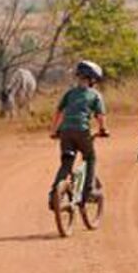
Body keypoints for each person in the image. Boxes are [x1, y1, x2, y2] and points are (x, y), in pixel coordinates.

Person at [48, 60, 109, 209]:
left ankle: (54, 194)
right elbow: (100, 115)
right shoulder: (95, 95)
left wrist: (54, 131)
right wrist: (103, 130)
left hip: (65, 132)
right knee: (90, 158)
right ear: (92, 79)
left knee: (66, 163)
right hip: (82, 132)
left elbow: (59, 112)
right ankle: (88, 192)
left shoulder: (69, 93)